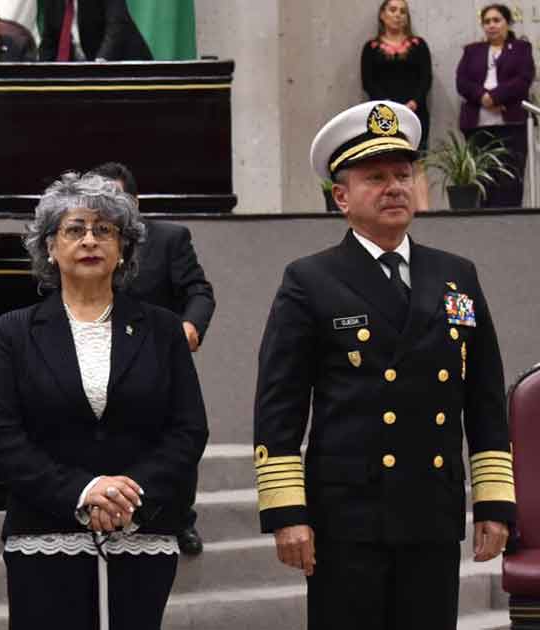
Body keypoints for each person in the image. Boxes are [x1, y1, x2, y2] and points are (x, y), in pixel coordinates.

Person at [254, 100, 514, 630]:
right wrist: (287, 514)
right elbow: (279, 406)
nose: (395, 186)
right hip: (348, 516)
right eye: (375, 176)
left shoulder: (455, 275)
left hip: (431, 512)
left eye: (403, 174)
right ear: (342, 197)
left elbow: (484, 397)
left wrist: (493, 501)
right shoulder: (309, 280)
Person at [0, 172, 208, 630]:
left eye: (104, 230)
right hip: (44, 529)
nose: (90, 240)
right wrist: (82, 491)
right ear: (49, 246)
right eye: (75, 229)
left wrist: (130, 494)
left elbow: (188, 430)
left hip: (141, 530)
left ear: (123, 248)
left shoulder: (162, 329)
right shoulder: (15, 330)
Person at [91, 161, 214, 556]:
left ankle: (180, 519)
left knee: (175, 437)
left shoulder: (169, 238)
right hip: (99, 357)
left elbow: (199, 291)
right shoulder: (87, 242)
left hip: (160, 357)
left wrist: (190, 326)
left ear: (135, 201)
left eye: (118, 197)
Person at [456, 3, 535, 207]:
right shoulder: (472, 50)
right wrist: (483, 97)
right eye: (487, 21)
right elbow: (462, 81)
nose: (491, 25)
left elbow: (524, 79)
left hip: (512, 123)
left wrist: (496, 97)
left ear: (507, 23)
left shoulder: (521, 49)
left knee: (510, 178)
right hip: (477, 126)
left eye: (496, 20)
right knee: (482, 180)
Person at [361, 0, 432, 210]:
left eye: (403, 11)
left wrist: (414, 102)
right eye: (393, 10)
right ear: (382, 15)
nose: (398, 15)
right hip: (382, 115)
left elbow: (426, 78)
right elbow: (368, 82)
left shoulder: (419, 45)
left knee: (416, 162)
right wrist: (388, 106)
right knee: (385, 160)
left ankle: (424, 213)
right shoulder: (371, 48)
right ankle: (388, 208)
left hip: (415, 112)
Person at [38, 0, 153, 62]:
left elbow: (116, 24)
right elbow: (49, 41)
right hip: (84, 73)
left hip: (126, 67)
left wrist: (100, 63)